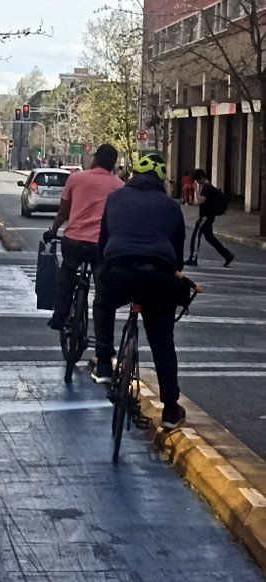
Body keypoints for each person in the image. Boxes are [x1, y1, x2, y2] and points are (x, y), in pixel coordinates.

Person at [91, 152, 189, 428]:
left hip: (118, 270)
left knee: (103, 304)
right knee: (162, 340)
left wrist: (103, 272)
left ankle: (104, 364)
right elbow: (178, 259)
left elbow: (104, 242)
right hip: (157, 276)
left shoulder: (116, 197)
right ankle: (170, 409)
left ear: (133, 174)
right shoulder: (171, 206)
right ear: (161, 179)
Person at [43, 143, 124, 330]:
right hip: (102, 245)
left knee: (67, 274)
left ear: (95, 159)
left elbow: (63, 212)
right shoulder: (120, 186)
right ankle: (102, 330)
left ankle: (60, 316)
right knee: (103, 286)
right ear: (113, 164)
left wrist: (53, 231)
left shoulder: (76, 179)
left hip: (74, 241)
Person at [185, 169, 234, 267]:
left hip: (206, 217)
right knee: (210, 238)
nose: (197, 182)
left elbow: (201, 201)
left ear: (202, 178)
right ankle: (227, 255)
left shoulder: (207, 188)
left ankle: (193, 258)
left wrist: (196, 190)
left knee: (196, 235)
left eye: (198, 180)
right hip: (208, 216)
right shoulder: (207, 187)